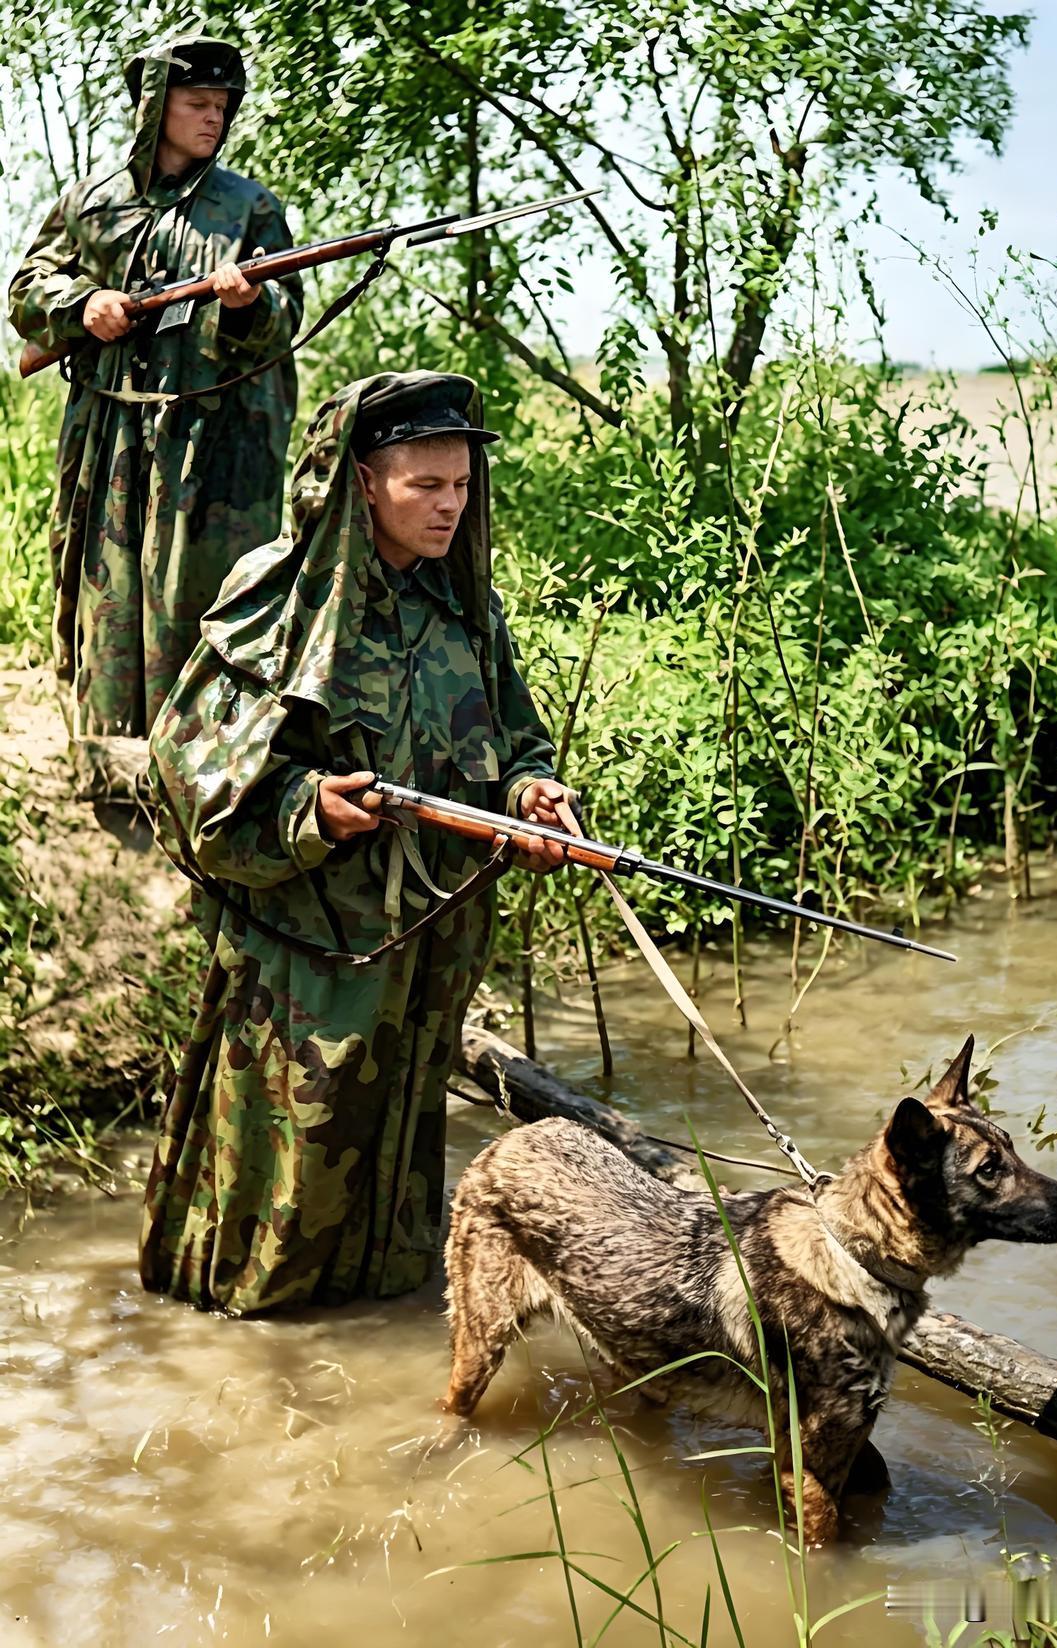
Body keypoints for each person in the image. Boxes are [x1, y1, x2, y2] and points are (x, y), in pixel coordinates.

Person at [140, 370, 574, 1315]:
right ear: (362, 481)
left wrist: (534, 796)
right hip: (311, 951)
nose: (450, 506)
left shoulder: (466, 609)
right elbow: (186, 766)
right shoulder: (278, 601)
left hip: (425, 950)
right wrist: (310, 809)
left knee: (398, 1144)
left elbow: (518, 742)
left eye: (462, 485)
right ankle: (248, 1337)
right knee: (292, 1159)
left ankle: (372, 1329)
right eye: (427, 485)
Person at [7, 33, 303, 755]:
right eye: (197, 102)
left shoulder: (247, 209)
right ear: (153, 109)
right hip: (109, 434)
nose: (213, 118)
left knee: (201, 592)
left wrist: (245, 308)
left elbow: (287, 314)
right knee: (105, 590)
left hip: (213, 447)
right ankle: (107, 755)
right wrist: (84, 306)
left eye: (223, 106)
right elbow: (24, 291)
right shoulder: (92, 204)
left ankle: (202, 759)